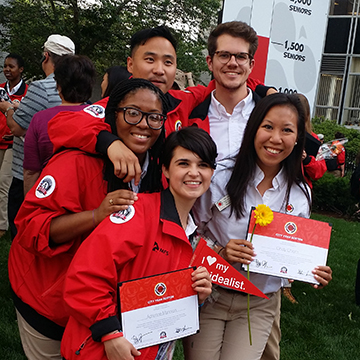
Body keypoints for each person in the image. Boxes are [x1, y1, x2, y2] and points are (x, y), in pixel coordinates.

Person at [8, 78, 169, 360]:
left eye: (154, 117)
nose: (144, 124)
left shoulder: (157, 172)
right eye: (132, 113)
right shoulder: (75, 162)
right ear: (112, 114)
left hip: (102, 310)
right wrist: (95, 216)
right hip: (50, 304)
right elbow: (29, 228)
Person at [183, 94, 332, 360]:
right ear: (253, 128)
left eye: (287, 130)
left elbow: (293, 256)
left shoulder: (299, 195)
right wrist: (220, 252)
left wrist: (312, 272)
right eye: (268, 127)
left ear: (298, 137)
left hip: (258, 304)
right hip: (211, 293)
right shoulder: (221, 178)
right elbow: (189, 232)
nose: (276, 139)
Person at [60, 126, 216, 360]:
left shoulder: (193, 231)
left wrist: (196, 295)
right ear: (165, 169)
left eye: (202, 165)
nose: (194, 173)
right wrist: (109, 334)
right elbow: (84, 276)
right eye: (183, 164)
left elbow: (160, 294)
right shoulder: (137, 213)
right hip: (101, 351)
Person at [47, 25, 274, 184]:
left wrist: (266, 91)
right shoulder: (113, 106)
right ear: (130, 64)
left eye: (168, 62)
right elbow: (61, 124)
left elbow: (231, 77)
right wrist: (108, 142)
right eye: (149, 59)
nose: (159, 70)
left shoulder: (182, 101)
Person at [0, 34, 75, 239]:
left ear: (46, 56)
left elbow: (17, 128)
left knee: (23, 222)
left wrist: (8, 109)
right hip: (59, 167)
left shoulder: (41, 87)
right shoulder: (76, 89)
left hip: (27, 169)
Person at [23, 55, 96, 194]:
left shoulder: (40, 119)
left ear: (58, 85)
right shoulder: (100, 118)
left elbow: (31, 172)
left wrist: (31, 208)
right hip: (90, 198)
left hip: (51, 196)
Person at [0, 53, 28, 237]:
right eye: (5, 66)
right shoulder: (0, 89)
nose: (7, 70)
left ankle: (2, 226)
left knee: (4, 182)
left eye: (11, 66)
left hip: (13, 145)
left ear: (21, 69)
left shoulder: (27, 92)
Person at [297, 94, 326, 188]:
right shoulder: (278, 134)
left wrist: (307, 159)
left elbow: (319, 171)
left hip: (300, 190)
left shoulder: (313, 139)